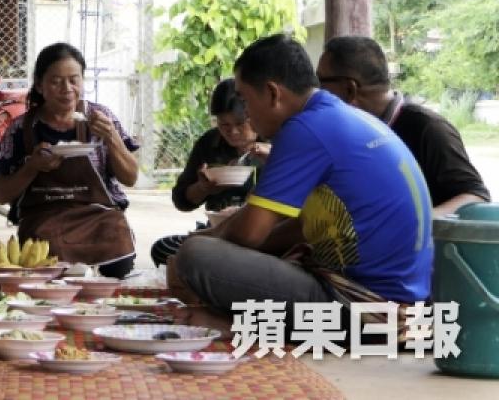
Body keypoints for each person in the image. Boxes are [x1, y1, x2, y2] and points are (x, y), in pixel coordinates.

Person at [171, 34, 433, 338]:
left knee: (195, 255)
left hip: (366, 308)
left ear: (272, 93)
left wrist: (202, 242)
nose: (247, 115)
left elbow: (248, 234)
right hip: (405, 304)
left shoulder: (303, 130)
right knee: (244, 251)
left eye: (245, 100)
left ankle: (246, 327)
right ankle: (243, 321)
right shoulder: (340, 116)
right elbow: (302, 228)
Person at [0, 43, 139, 278]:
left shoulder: (102, 119)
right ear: (39, 85)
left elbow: (130, 178)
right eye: (56, 81)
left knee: (117, 255)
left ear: (83, 80)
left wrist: (112, 139)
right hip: (44, 219)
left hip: (98, 215)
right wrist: (32, 167)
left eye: (74, 80)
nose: (67, 89)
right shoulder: (22, 129)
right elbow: (1, 194)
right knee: (52, 261)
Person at [317, 35, 490, 216]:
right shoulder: (347, 131)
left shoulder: (428, 129)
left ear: (349, 89)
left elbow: (476, 196)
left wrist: (416, 225)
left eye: (321, 82)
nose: (317, 93)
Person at [150, 78, 269, 267]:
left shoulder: (275, 139)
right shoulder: (210, 143)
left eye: (241, 124)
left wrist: (273, 156)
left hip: (258, 234)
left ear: (253, 114)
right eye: (225, 125)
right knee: (164, 249)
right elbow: (181, 200)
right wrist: (203, 188)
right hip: (215, 232)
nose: (234, 132)